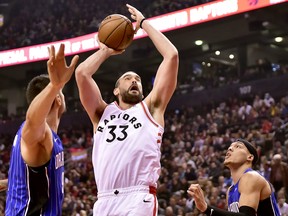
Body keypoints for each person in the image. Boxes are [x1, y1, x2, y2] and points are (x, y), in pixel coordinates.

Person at [75, 4, 178, 215]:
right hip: (103, 200)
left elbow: (172, 56)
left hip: (138, 197)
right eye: (128, 78)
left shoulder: (152, 107)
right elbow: (82, 74)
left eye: (138, 79)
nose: (134, 81)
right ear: (115, 90)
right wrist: (105, 50)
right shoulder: (101, 113)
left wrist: (142, 24)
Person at [5, 44, 79, 215]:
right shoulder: (37, 132)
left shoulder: (44, 136)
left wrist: (7, 183)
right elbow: (32, 120)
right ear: (58, 100)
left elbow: (28, 179)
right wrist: (55, 86)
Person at [188, 138, 281, 216]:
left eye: (237, 146)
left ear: (250, 157)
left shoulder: (251, 177)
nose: (230, 149)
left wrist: (206, 208)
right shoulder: (230, 190)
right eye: (230, 147)